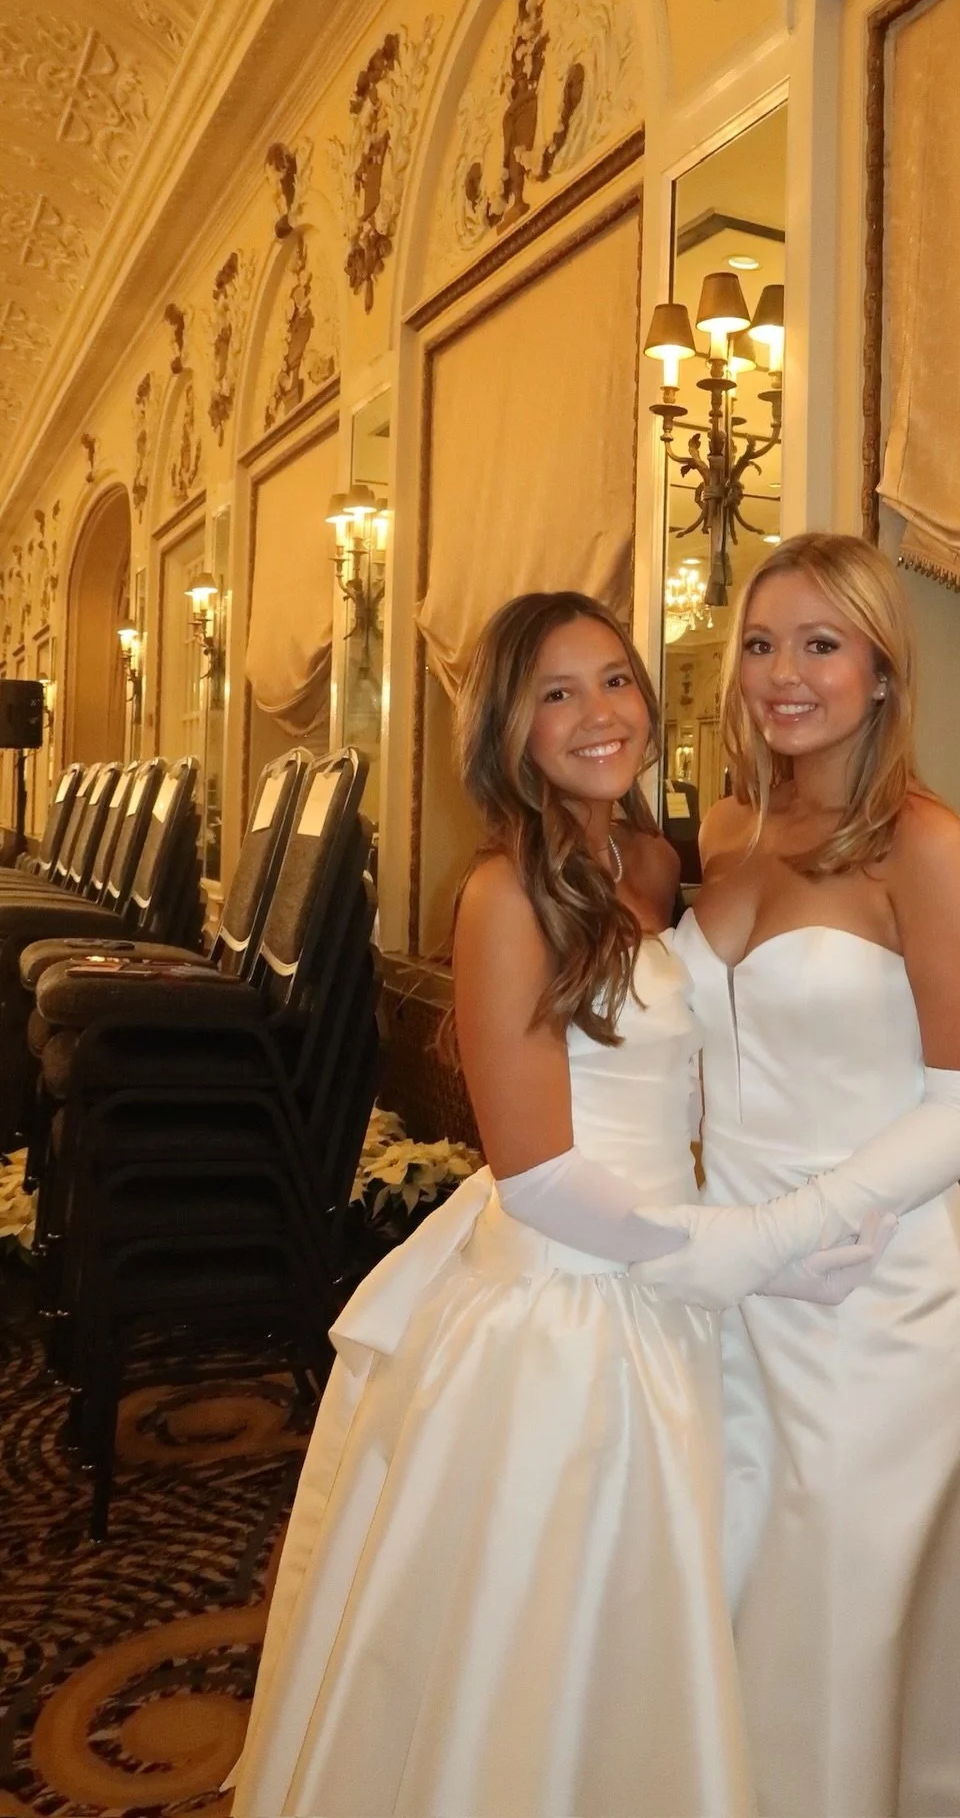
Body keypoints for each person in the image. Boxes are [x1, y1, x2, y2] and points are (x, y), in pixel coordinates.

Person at [232, 591, 781, 1818]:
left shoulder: (652, 860)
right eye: (556, 693)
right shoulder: (502, 894)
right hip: (575, 1291)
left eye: (618, 680)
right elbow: (534, 1174)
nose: (601, 713)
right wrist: (733, 1250)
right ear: (510, 731)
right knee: (545, 1640)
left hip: (675, 1262)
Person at [632, 535, 960, 1818]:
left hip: (869, 1296)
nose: (784, 674)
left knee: (841, 1628)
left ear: (882, 671)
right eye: (763, 643)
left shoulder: (921, 844)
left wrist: (787, 1232)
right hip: (724, 1288)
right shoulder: (728, 825)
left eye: (821, 645)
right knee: (737, 1605)